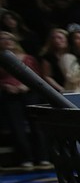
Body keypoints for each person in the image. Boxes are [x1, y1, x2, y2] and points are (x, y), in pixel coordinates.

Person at [0, 31, 52, 169]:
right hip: (9, 95)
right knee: (17, 128)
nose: (6, 41)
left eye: (9, 38)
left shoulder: (28, 58)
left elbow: (37, 76)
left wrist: (25, 86)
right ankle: (26, 158)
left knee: (37, 126)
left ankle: (43, 157)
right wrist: (5, 86)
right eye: (2, 39)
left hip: (29, 93)